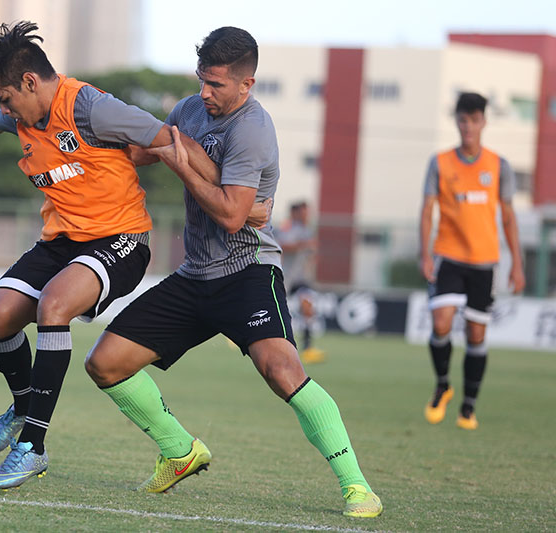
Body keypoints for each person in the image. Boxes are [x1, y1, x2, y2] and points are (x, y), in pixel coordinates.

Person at [0, 21, 225, 490]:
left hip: (120, 240)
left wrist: (228, 198)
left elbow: (167, 139)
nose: (4, 110)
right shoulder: (23, 116)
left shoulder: (92, 108)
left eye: (5, 98)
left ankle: (32, 447)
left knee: (54, 305)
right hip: (62, 241)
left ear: (29, 82)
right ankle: (24, 409)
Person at [85, 27, 382, 518]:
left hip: (247, 272)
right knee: (106, 362)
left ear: (247, 84)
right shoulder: (189, 110)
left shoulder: (253, 130)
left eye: (216, 85)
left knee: (282, 371)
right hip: (195, 274)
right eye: (202, 80)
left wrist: (179, 164)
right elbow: (143, 148)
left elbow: (230, 214)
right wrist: (88, 136)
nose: (204, 93)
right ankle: (180, 452)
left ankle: (357, 488)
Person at [419, 91, 525, 430]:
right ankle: (442, 384)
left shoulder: (498, 165)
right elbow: (427, 210)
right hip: (448, 256)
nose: (468, 127)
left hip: (484, 262)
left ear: (483, 123)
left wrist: (518, 265)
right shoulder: (440, 163)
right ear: (457, 122)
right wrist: (425, 253)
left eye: (474, 121)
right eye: (463, 120)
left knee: (477, 335)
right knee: (441, 324)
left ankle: (468, 405)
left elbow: (508, 216)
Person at [277, 200, 324, 364]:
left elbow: (312, 254)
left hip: (302, 279)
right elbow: (283, 246)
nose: (306, 215)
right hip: (286, 277)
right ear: (295, 213)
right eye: (303, 212)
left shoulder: (308, 231)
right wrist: (304, 245)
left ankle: (308, 348)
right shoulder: (289, 229)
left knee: (308, 306)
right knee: (273, 309)